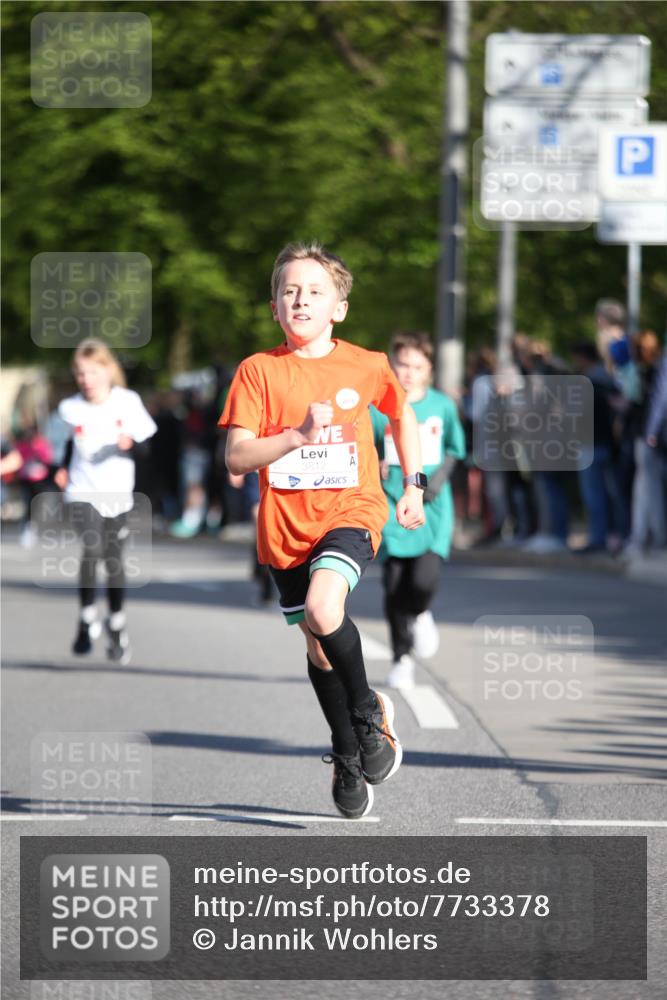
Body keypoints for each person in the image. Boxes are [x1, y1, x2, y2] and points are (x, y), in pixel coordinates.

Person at [219, 241, 426, 820]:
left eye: (314, 291)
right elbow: (237, 458)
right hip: (285, 531)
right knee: (317, 646)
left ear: (338, 307)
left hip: (351, 510)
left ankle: (369, 717)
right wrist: (295, 436)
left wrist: (414, 483)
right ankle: (345, 752)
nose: (300, 299)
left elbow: (401, 414)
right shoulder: (258, 371)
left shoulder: (366, 364)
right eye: (289, 291)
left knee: (324, 609)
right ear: (273, 307)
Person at [370, 332, 465, 689]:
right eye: (403, 365)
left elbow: (456, 448)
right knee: (393, 585)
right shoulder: (379, 407)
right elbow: (368, 444)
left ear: (429, 370)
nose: (409, 373)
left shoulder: (441, 405)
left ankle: (422, 611)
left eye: (417, 366)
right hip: (393, 504)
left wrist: (436, 481)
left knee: (423, 580)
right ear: (392, 366)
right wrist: (375, 459)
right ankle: (401, 658)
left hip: (433, 507)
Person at [54, 339, 157, 664]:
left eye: (93, 372)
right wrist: (59, 469)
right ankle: (87, 617)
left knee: (113, 561)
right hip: (82, 491)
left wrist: (128, 443)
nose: (86, 379)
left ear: (108, 371)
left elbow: (146, 449)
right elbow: (66, 447)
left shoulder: (127, 402)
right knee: (93, 547)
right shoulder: (69, 408)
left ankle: (115, 622)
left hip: (118, 495)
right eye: (81, 373)